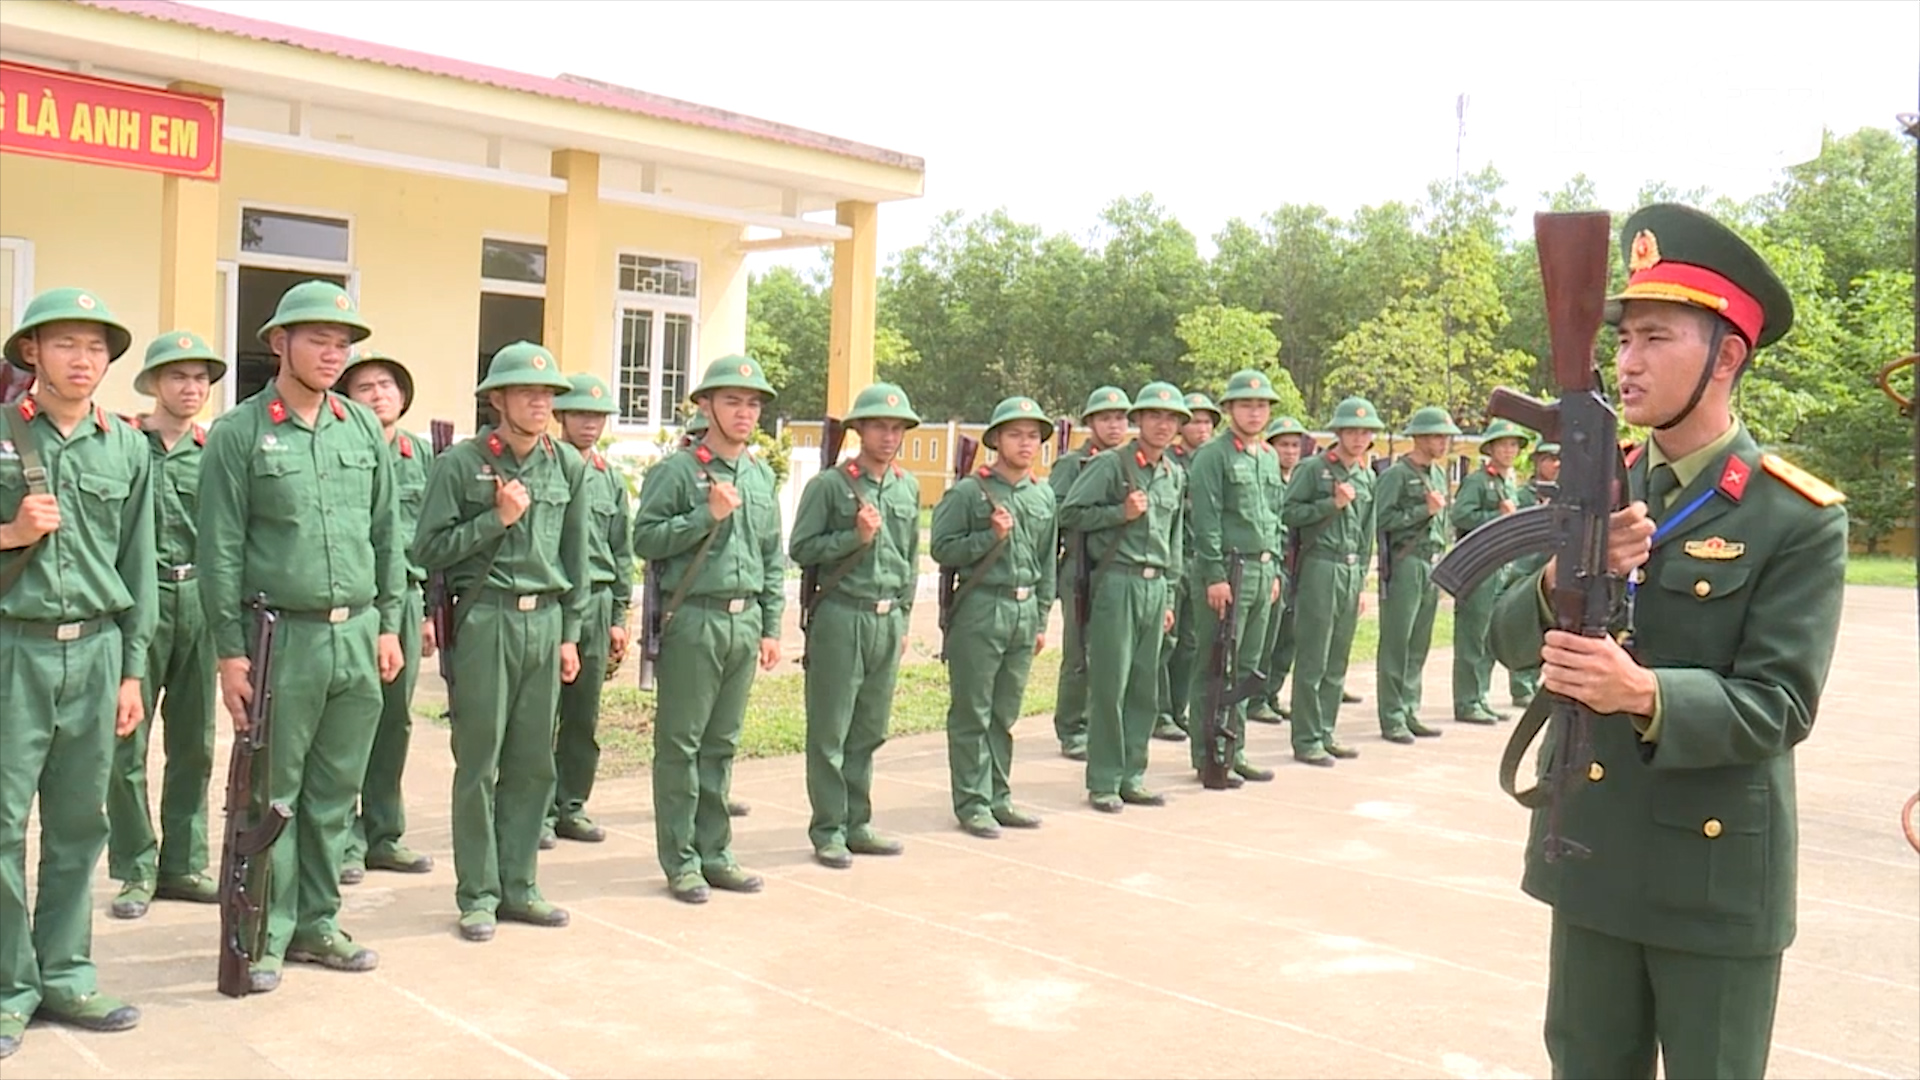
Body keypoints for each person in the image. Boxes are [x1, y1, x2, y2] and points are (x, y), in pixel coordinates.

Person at [1490, 202, 1847, 1080]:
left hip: (1711, 875)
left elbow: (1780, 706)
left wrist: (1641, 692)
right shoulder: (1603, 487)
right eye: (1622, 339)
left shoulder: (1793, 515)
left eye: (1656, 337)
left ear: (1726, 357)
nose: (1629, 361)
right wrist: (1561, 576)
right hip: (1592, 852)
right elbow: (1503, 638)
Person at [196, 279, 407, 992]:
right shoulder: (239, 433)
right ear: (279, 342)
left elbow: (386, 533)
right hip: (281, 639)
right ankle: (267, 933)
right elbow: (220, 551)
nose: (332, 353)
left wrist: (388, 622)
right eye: (318, 339)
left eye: (342, 343)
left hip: (357, 634)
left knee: (333, 793)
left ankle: (319, 922)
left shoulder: (360, 429)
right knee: (273, 796)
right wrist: (229, 653)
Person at [0, 288, 157, 1057]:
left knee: (78, 823)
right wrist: (10, 532)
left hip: (96, 653)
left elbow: (139, 565)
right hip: (12, 650)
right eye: (65, 344)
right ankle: (9, 988)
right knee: (2, 826)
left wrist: (132, 672)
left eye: (96, 347)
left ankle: (65, 975)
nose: (83, 360)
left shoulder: (126, 446)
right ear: (32, 352)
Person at [412, 343, 589, 941]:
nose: (540, 403)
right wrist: (496, 520)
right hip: (486, 618)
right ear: (497, 400)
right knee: (480, 762)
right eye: (527, 393)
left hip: (546, 622)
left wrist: (570, 635)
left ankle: (520, 884)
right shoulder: (461, 464)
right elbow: (428, 549)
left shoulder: (566, 466)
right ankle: (478, 894)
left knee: (534, 762)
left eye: (547, 395)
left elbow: (576, 559)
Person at [630, 355, 785, 904]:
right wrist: (705, 516)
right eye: (732, 401)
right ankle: (681, 860)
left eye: (753, 404)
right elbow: (645, 540)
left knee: (722, 744)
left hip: (744, 621)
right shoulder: (677, 472)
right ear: (705, 406)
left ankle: (715, 852)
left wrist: (771, 624)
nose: (745, 413)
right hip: (694, 617)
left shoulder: (759, 475)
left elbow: (771, 554)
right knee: (681, 745)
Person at [106, 331, 223, 920]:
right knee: (125, 739)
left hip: (199, 597)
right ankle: (136, 867)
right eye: (178, 376)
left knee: (194, 740)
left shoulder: (214, 450)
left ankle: (184, 862)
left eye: (200, 378)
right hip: (137, 597)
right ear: (153, 383)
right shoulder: (124, 443)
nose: (191, 387)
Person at [790, 383, 921, 868]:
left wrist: (904, 616)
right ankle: (828, 828)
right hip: (842, 614)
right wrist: (853, 537)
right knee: (831, 730)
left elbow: (910, 557)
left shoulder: (906, 487)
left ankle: (857, 822)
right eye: (879, 426)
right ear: (859, 430)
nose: (889, 436)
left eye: (897, 428)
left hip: (887, 617)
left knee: (869, 728)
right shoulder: (829, 485)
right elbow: (801, 548)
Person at [931, 395, 1057, 838]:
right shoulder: (969, 492)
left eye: (1033, 436)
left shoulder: (1042, 494)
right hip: (982, 607)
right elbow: (942, 549)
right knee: (973, 711)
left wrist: (1041, 618)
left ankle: (999, 796)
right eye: (1015, 434)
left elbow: (1047, 561)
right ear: (996, 440)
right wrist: (988, 537)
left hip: (1023, 610)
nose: (1025, 443)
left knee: (1005, 713)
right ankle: (972, 802)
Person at [1059, 382, 1187, 812]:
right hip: (1117, 581)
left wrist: (1169, 596)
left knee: (1144, 687)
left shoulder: (1174, 474)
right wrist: (1120, 513)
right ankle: (1104, 780)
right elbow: (1070, 512)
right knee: (1110, 685)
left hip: (1155, 586)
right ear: (1140, 420)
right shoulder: (1111, 465)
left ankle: (1133, 774)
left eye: (1171, 418)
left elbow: (1175, 539)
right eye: (1155, 416)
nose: (1163, 425)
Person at [335, 348, 437, 881]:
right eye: (365, 388)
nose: (378, 396)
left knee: (394, 721)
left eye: (386, 386)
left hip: (408, 599)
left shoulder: (423, 455)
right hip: (356, 601)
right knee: (350, 722)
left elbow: (435, 535)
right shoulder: (340, 447)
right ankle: (343, 840)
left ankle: (384, 834)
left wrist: (431, 611)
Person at [1183, 370, 1286, 785]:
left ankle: (1234, 748)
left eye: (1261, 406)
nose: (1254, 412)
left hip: (1261, 571)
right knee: (1215, 666)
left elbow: (1275, 516)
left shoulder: (1268, 456)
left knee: (1245, 668)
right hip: (1229, 570)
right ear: (1229, 409)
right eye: (1246, 405)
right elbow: (1206, 520)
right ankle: (1207, 755)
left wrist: (1274, 566)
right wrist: (1213, 574)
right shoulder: (1214, 456)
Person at [545, 372, 632, 848]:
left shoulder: (608, 478)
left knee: (584, 715)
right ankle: (536, 810)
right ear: (561, 415)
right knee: (541, 714)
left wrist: (619, 616)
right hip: (553, 601)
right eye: (580, 414)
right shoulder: (545, 466)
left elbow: (621, 550)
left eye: (598, 416)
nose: (590, 424)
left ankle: (571, 805)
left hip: (597, 602)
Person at [1282, 396, 1382, 766]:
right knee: (1314, 656)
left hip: (1350, 568)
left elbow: (1368, 532)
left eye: (1365, 432)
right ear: (1338, 432)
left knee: (1338, 657)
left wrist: (1363, 581)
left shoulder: (1367, 476)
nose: (1358, 438)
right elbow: (1289, 513)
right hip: (1320, 565)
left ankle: (1326, 730)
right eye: (1351, 431)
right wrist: (1329, 505)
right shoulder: (1314, 469)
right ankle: (1306, 737)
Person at [1049, 386, 1132, 761]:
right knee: (1079, 651)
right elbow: (1059, 514)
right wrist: (1115, 513)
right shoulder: (1073, 464)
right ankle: (1072, 727)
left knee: (1112, 653)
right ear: (1091, 423)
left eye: (1120, 418)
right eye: (1105, 418)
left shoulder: (1129, 463)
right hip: (1082, 566)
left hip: (1118, 568)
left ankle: (1101, 723)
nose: (1114, 425)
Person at [1372, 406, 1459, 744]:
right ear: (1419, 438)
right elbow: (1381, 519)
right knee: (1397, 641)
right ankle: (1392, 715)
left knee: (1419, 641)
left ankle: (1409, 708)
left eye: (1446, 437)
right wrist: (1423, 510)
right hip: (1405, 562)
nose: (1443, 442)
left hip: (1431, 561)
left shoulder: (1437, 473)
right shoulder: (1396, 474)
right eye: (1437, 436)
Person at [1450, 418, 1533, 725]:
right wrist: (1495, 515)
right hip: (1479, 566)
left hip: (1499, 566)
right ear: (1491, 449)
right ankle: (1467, 700)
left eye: (1513, 445)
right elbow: (1460, 515)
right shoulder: (1477, 481)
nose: (1509, 450)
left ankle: (1480, 696)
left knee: (1487, 636)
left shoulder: (1507, 481)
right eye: (1503, 445)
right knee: (1472, 636)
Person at [1155, 390, 1219, 742]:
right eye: (1195, 421)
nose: (1202, 428)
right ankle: (1160, 711)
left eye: (1207, 422)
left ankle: (1179, 709)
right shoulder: (1169, 463)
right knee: (1166, 640)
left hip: (1200, 560)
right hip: (1172, 557)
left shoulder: (1214, 461)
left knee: (1192, 642)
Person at [1251, 415, 1308, 724]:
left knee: (1289, 637)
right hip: (1274, 565)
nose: (1289, 451)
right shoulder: (1265, 480)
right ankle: (1256, 698)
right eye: (1283, 445)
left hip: (1299, 566)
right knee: (1266, 637)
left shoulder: (1300, 480)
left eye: (1295, 445)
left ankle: (1272, 692)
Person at [1506, 441, 1559, 709]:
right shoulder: (1524, 495)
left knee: (1545, 624)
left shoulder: (1565, 494)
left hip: (1549, 564)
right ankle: (1520, 685)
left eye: (1560, 458)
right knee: (1522, 617)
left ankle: (1532, 681)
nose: (1556, 464)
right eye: (1549, 458)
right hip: (1524, 562)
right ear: (1537, 461)